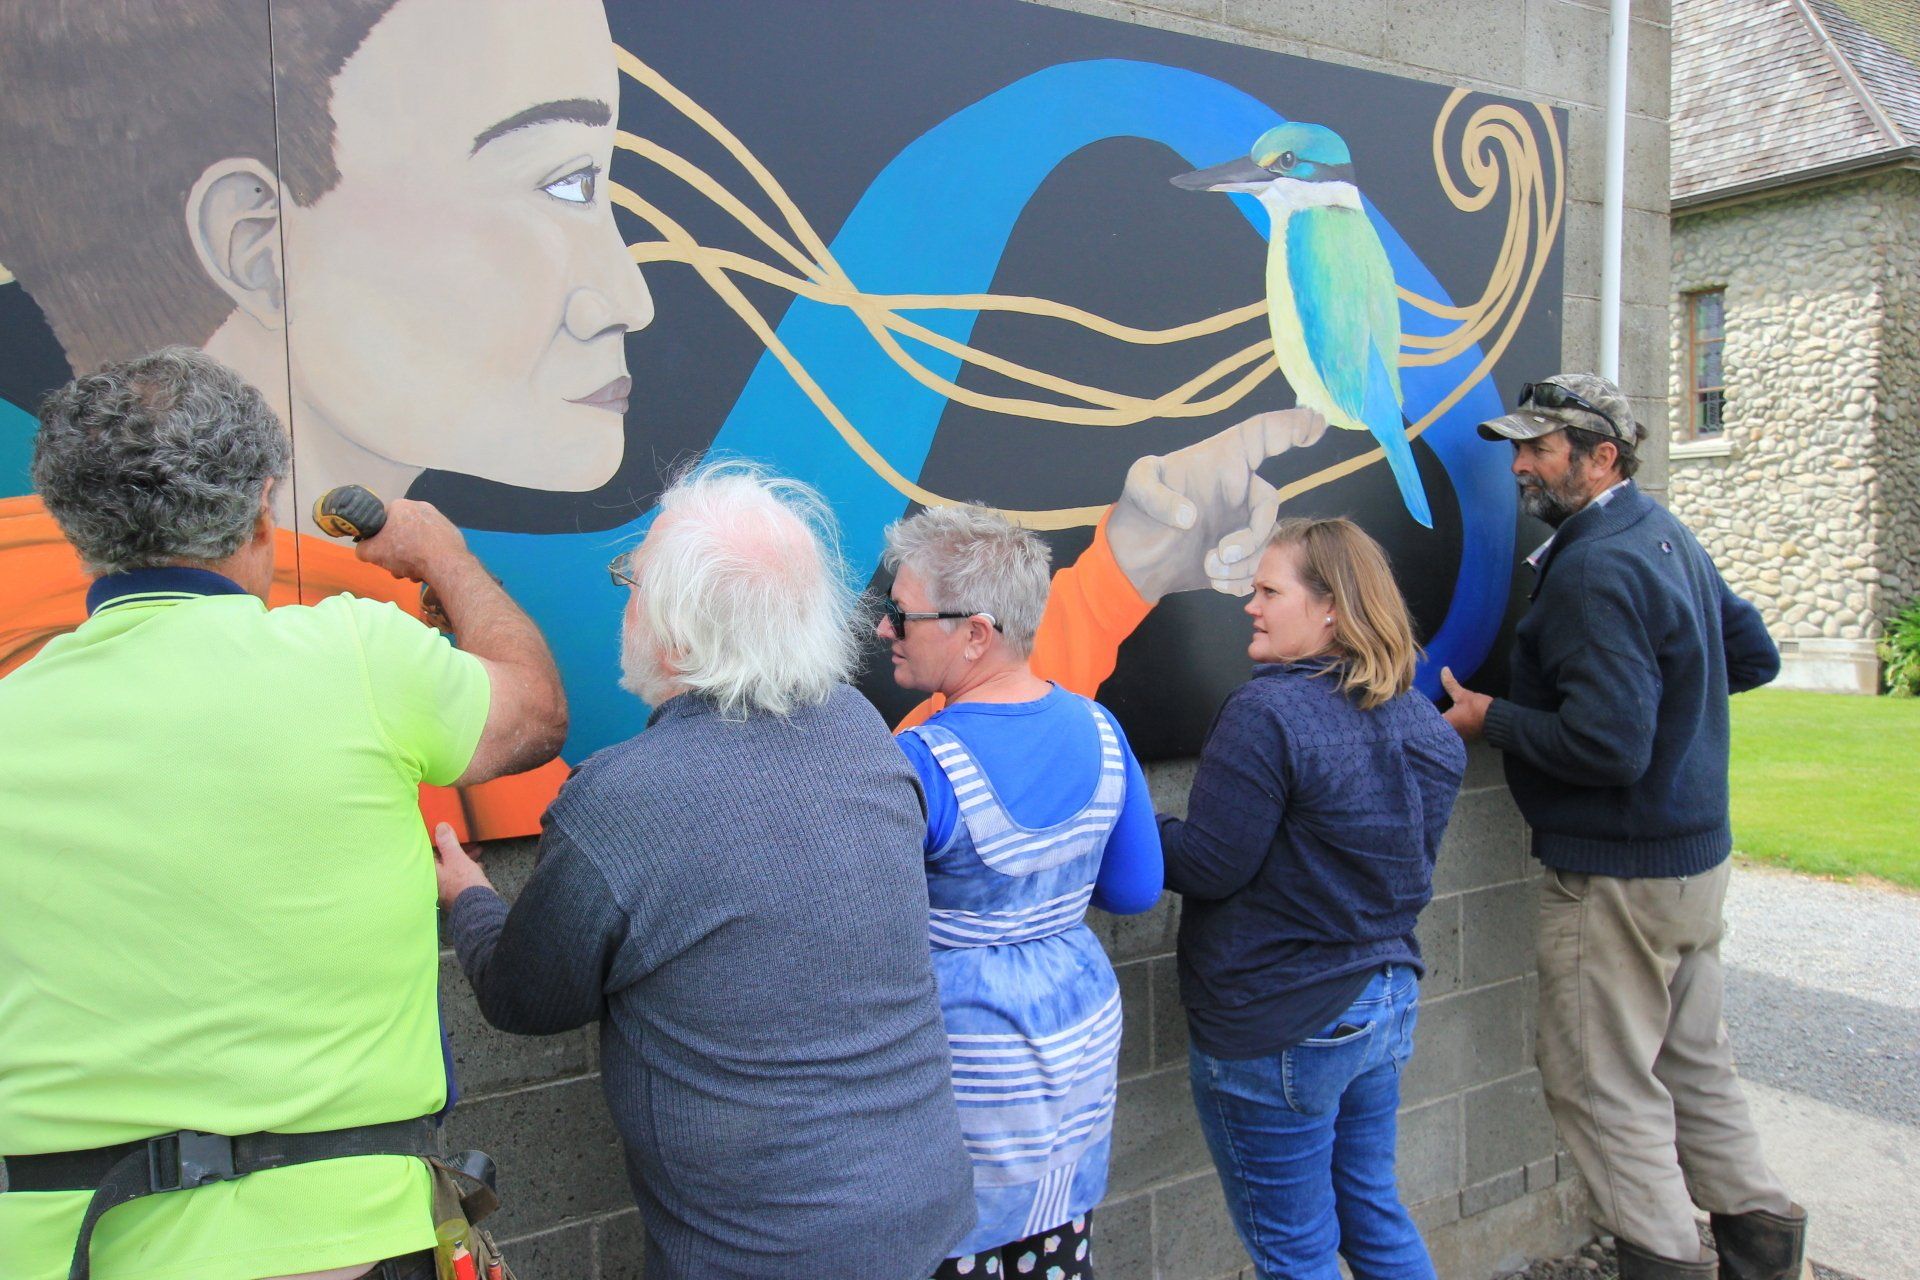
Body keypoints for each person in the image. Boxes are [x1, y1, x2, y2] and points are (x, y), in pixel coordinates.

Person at [0, 0, 1340, 823]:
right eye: (560, 184)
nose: (631, 297)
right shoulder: (370, 667)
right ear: (253, 237)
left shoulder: (154, 661)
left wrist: (1129, 568)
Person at [0, 347, 568, 1280]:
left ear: (73, 522)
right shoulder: (357, 655)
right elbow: (535, 711)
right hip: (339, 1242)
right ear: (264, 502)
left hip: (70, 1250)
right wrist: (442, 558)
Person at [432, 462, 976, 1279]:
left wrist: (468, 897)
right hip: (921, 1216)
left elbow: (525, 997)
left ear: (679, 637)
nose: (625, 603)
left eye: (633, 583)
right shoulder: (862, 730)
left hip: (763, 1256)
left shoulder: (624, 799)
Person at [1439, 374, 1799, 1280]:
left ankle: (1663, 1261)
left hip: (1618, 879)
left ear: (1602, 458)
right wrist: (1680, 716)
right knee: (1694, 1069)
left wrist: (1493, 718)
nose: (1519, 465)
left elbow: (1606, 746)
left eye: (1539, 448)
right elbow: (1749, 655)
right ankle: (1761, 1249)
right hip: (1689, 868)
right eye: (1519, 447)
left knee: (1601, 1085)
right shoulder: (1661, 531)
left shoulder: (1595, 566)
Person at [1159, 516, 1465, 1280]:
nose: (1250, 606)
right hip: (1382, 1002)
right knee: (1374, 1213)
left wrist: (1127, 817)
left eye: (1268, 590)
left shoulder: (1267, 714)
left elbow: (1208, 866)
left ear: (1331, 608)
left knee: (1296, 1253)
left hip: (1285, 1020)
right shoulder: (1418, 720)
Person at [877, 505, 1164, 1279]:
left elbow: (866, 926)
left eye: (901, 614)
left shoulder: (919, 762)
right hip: (1073, 1055)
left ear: (975, 632)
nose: (884, 629)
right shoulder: (1103, 731)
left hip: (967, 1073)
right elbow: (1137, 889)